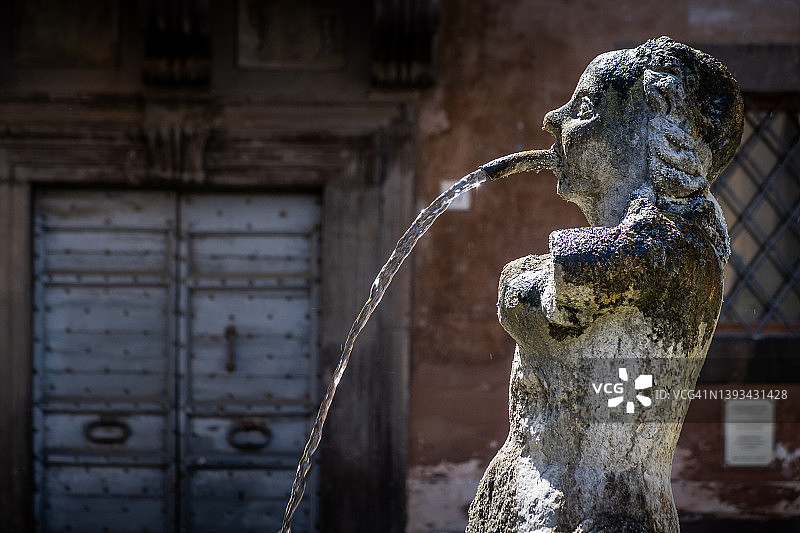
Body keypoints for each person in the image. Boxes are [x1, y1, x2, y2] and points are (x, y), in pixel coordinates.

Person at [466, 37, 743, 533]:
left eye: (587, 105)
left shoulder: (674, 250)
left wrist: (529, 287)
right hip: (521, 507)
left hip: (599, 516)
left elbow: (565, 279)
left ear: (652, 122)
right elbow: (525, 291)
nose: (554, 118)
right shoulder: (645, 251)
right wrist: (527, 288)